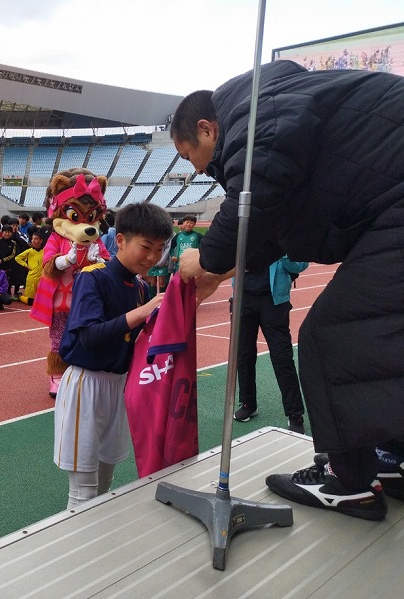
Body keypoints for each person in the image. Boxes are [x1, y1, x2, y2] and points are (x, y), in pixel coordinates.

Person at [171, 59, 404, 520]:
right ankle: (392, 458)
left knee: (331, 335)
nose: (195, 170)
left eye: (187, 155)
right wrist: (221, 273)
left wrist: (207, 258)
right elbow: (277, 224)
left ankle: (350, 483)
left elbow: (259, 190)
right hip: (389, 204)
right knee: (378, 333)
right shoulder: (274, 109)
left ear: (206, 129)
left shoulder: (257, 113)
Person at [54, 202, 171, 508]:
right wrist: (144, 312)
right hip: (86, 384)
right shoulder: (93, 277)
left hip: (119, 386)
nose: (153, 257)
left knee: (105, 485)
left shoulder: (141, 287)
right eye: (146, 247)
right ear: (120, 240)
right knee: (83, 492)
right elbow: (89, 336)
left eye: (160, 249)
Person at [233, 256, 308, 434]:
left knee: (282, 357)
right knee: (244, 354)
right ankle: (248, 403)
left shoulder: (283, 237)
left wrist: (279, 248)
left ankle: (295, 413)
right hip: (244, 298)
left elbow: (300, 264)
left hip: (274, 302)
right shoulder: (244, 236)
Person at [14, 230, 46, 305]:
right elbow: (17, 258)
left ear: (41, 240)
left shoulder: (45, 251)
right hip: (32, 278)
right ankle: (20, 296)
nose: (33, 241)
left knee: (42, 300)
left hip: (42, 278)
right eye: (32, 239)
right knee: (31, 301)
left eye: (36, 239)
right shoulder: (29, 251)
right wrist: (26, 265)